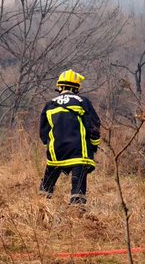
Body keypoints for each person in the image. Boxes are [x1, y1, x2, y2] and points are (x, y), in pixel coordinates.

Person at [39, 69, 101, 205]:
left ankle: (41, 207)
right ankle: (76, 211)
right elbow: (94, 126)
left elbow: (43, 133)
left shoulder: (50, 104)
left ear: (59, 86)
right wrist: (94, 145)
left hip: (55, 152)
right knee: (77, 189)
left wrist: (49, 146)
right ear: (77, 87)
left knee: (46, 188)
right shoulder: (82, 101)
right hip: (78, 152)